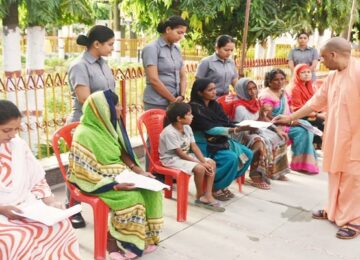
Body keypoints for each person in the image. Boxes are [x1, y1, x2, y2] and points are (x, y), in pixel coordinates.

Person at [273, 37, 360, 239]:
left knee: (353, 179)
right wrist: (290, 118)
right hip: (337, 134)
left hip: (356, 137)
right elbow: (315, 102)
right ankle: (333, 210)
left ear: (333, 55)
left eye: (322, 57)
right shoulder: (332, 76)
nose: (320, 62)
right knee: (335, 172)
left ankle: (354, 220)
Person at [68, 90, 163, 259]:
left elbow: (122, 152)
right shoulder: (84, 133)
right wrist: (114, 185)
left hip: (118, 172)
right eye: (117, 105)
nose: (120, 108)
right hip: (94, 179)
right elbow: (82, 170)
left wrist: (138, 171)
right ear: (103, 109)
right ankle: (112, 243)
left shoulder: (108, 125)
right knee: (131, 199)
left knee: (153, 191)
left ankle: (145, 238)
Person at [0, 100, 80, 259]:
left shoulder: (18, 145)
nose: (12, 134)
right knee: (16, 239)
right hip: (3, 212)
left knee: (61, 225)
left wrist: (50, 202)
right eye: (6, 130)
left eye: (16, 129)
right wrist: (2, 209)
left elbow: (37, 179)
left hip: (25, 207)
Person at [66, 25, 116, 228]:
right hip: (84, 123)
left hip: (103, 122)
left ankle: (103, 198)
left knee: (100, 164)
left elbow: (109, 92)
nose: (113, 48)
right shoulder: (79, 66)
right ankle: (73, 208)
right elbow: (85, 98)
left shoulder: (103, 64)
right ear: (97, 44)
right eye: (110, 44)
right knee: (78, 167)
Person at [189, 78, 253, 201]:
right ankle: (215, 186)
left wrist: (240, 126)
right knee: (231, 158)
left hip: (219, 141)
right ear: (199, 93)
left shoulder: (215, 105)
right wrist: (234, 130)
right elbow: (209, 129)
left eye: (214, 89)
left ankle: (223, 183)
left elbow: (225, 121)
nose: (214, 92)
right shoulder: (194, 108)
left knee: (248, 154)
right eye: (210, 90)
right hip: (203, 144)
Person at [224, 78, 290, 189]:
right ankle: (256, 175)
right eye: (249, 89)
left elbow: (262, 120)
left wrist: (277, 129)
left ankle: (275, 171)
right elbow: (242, 127)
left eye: (254, 88)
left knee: (280, 137)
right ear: (242, 90)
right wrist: (258, 124)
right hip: (239, 134)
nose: (253, 92)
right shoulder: (239, 106)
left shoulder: (255, 102)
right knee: (259, 142)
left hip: (254, 130)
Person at [159, 103, 224, 211]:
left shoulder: (187, 127)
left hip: (185, 156)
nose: (192, 116)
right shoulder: (169, 132)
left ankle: (208, 195)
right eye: (189, 114)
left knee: (211, 163)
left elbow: (194, 147)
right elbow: (179, 153)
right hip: (171, 159)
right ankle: (199, 196)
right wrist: (200, 163)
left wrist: (203, 161)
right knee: (199, 168)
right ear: (179, 118)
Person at [259, 69, 319, 176]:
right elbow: (268, 118)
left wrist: (293, 119)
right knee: (302, 132)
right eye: (276, 80)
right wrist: (290, 122)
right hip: (274, 125)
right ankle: (300, 163)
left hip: (287, 121)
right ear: (269, 81)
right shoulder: (266, 96)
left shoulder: (283, 92)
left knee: (307, 127)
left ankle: (303, 163)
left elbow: (290, 110)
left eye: (282, 79)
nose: (280, 82)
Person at [142, 16, 189, 111]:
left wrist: (182, 95)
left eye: (183, 33)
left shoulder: (176, 49)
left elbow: (183, 75)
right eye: (179, 32)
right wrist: (173, 100)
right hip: (156, 102)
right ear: (168, 29)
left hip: (175, 101)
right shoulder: (152, 48)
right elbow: (153, 79)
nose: (181, 37)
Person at [287, 63, 325, 148]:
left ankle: (320, 145)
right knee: (322, 122)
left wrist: (321, 112)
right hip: (299, 116)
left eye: (308, 72)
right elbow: (297, 109)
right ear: (297, 74)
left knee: (328, 119)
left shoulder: (309, 85)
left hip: (309, 113)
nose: (307, 74)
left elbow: (315, 102)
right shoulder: (294, 88)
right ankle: (318, 146)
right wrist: (317, 114)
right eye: (303, 72)